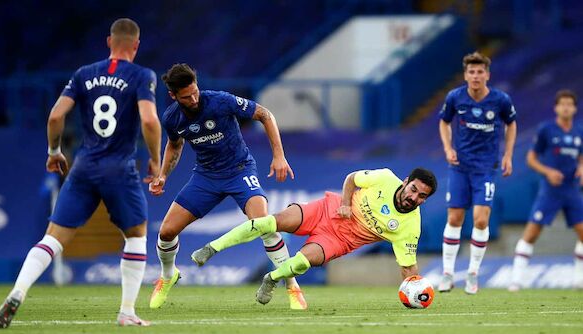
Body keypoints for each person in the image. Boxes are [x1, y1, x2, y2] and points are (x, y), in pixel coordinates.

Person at [0, 18, 161, 328]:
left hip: (83, 166)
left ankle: (17, 292)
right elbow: (149, 121)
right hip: (119, 168)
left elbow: (56, 115)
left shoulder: (84, 74)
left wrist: (54, 152)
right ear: (136, 45)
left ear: (108, 42)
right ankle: (126, 313)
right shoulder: (141, 75)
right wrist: (155, 160)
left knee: (53, 239)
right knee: (136, 236)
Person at [148, 63, 307, 310]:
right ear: (173, 96)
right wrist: (163, 175)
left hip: (239, 170)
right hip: (205, 177)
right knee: (166, 232)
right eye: (186, 97)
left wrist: (279, 156)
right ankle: (168, 276)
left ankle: (292, 286)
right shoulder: (171, 117)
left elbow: (265, 115)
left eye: (195, 92)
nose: (193, 98)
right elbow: (175, 145)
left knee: (264, 223)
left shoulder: (220, 101)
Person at [191, 167, 437, 305]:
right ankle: (212, 247)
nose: (413, 198)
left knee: (303, 261)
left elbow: (407, 266)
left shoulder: (410, 226)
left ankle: (272, 278)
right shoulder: (384, 177)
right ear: (405, 182)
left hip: (339, 241)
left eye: (421, 197)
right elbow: (351, 178)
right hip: (325, 210)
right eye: (413, 189)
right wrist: (345, 203)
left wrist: (417, 290)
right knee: (270, 222)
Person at [438, 51, 517, 294]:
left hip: (485, 169)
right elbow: (444, 122)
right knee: (454, 219)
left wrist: (508, 155)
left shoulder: (500, 100)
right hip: (460, 168)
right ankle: (447, 274)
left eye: (479, 71)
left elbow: (511, 123)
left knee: (481, 219)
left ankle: (472, 273)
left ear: (487, 75)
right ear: (465, 75)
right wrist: (448, 147)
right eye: (471, 72)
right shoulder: (455, 97)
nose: (475, 76)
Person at [510, 90, 583, 291]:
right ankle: (516, 279)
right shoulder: (546, 130)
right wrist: (548, 171)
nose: (566, 107)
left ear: (575, 108)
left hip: (572, 190)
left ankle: (579, 279)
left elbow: (581, 157)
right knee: (532, 233)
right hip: (550, 191)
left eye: (570, 104)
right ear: (556, 107)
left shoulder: (579, 132)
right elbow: (531, 158)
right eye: (563, 104)